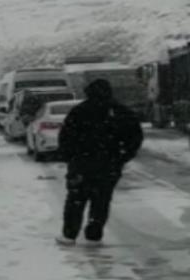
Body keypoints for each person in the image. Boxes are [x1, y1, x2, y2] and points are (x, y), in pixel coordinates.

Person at [56, 79, 143, 247]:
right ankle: (94, 236)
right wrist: (122, 157)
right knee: (101, 200)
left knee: (76, 199)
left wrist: (71, 158)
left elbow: (65, 138)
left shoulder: (78, 111)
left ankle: (69, 234)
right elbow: (135, 138)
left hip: (81, 164)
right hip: (109, 165)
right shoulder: (121, 112)